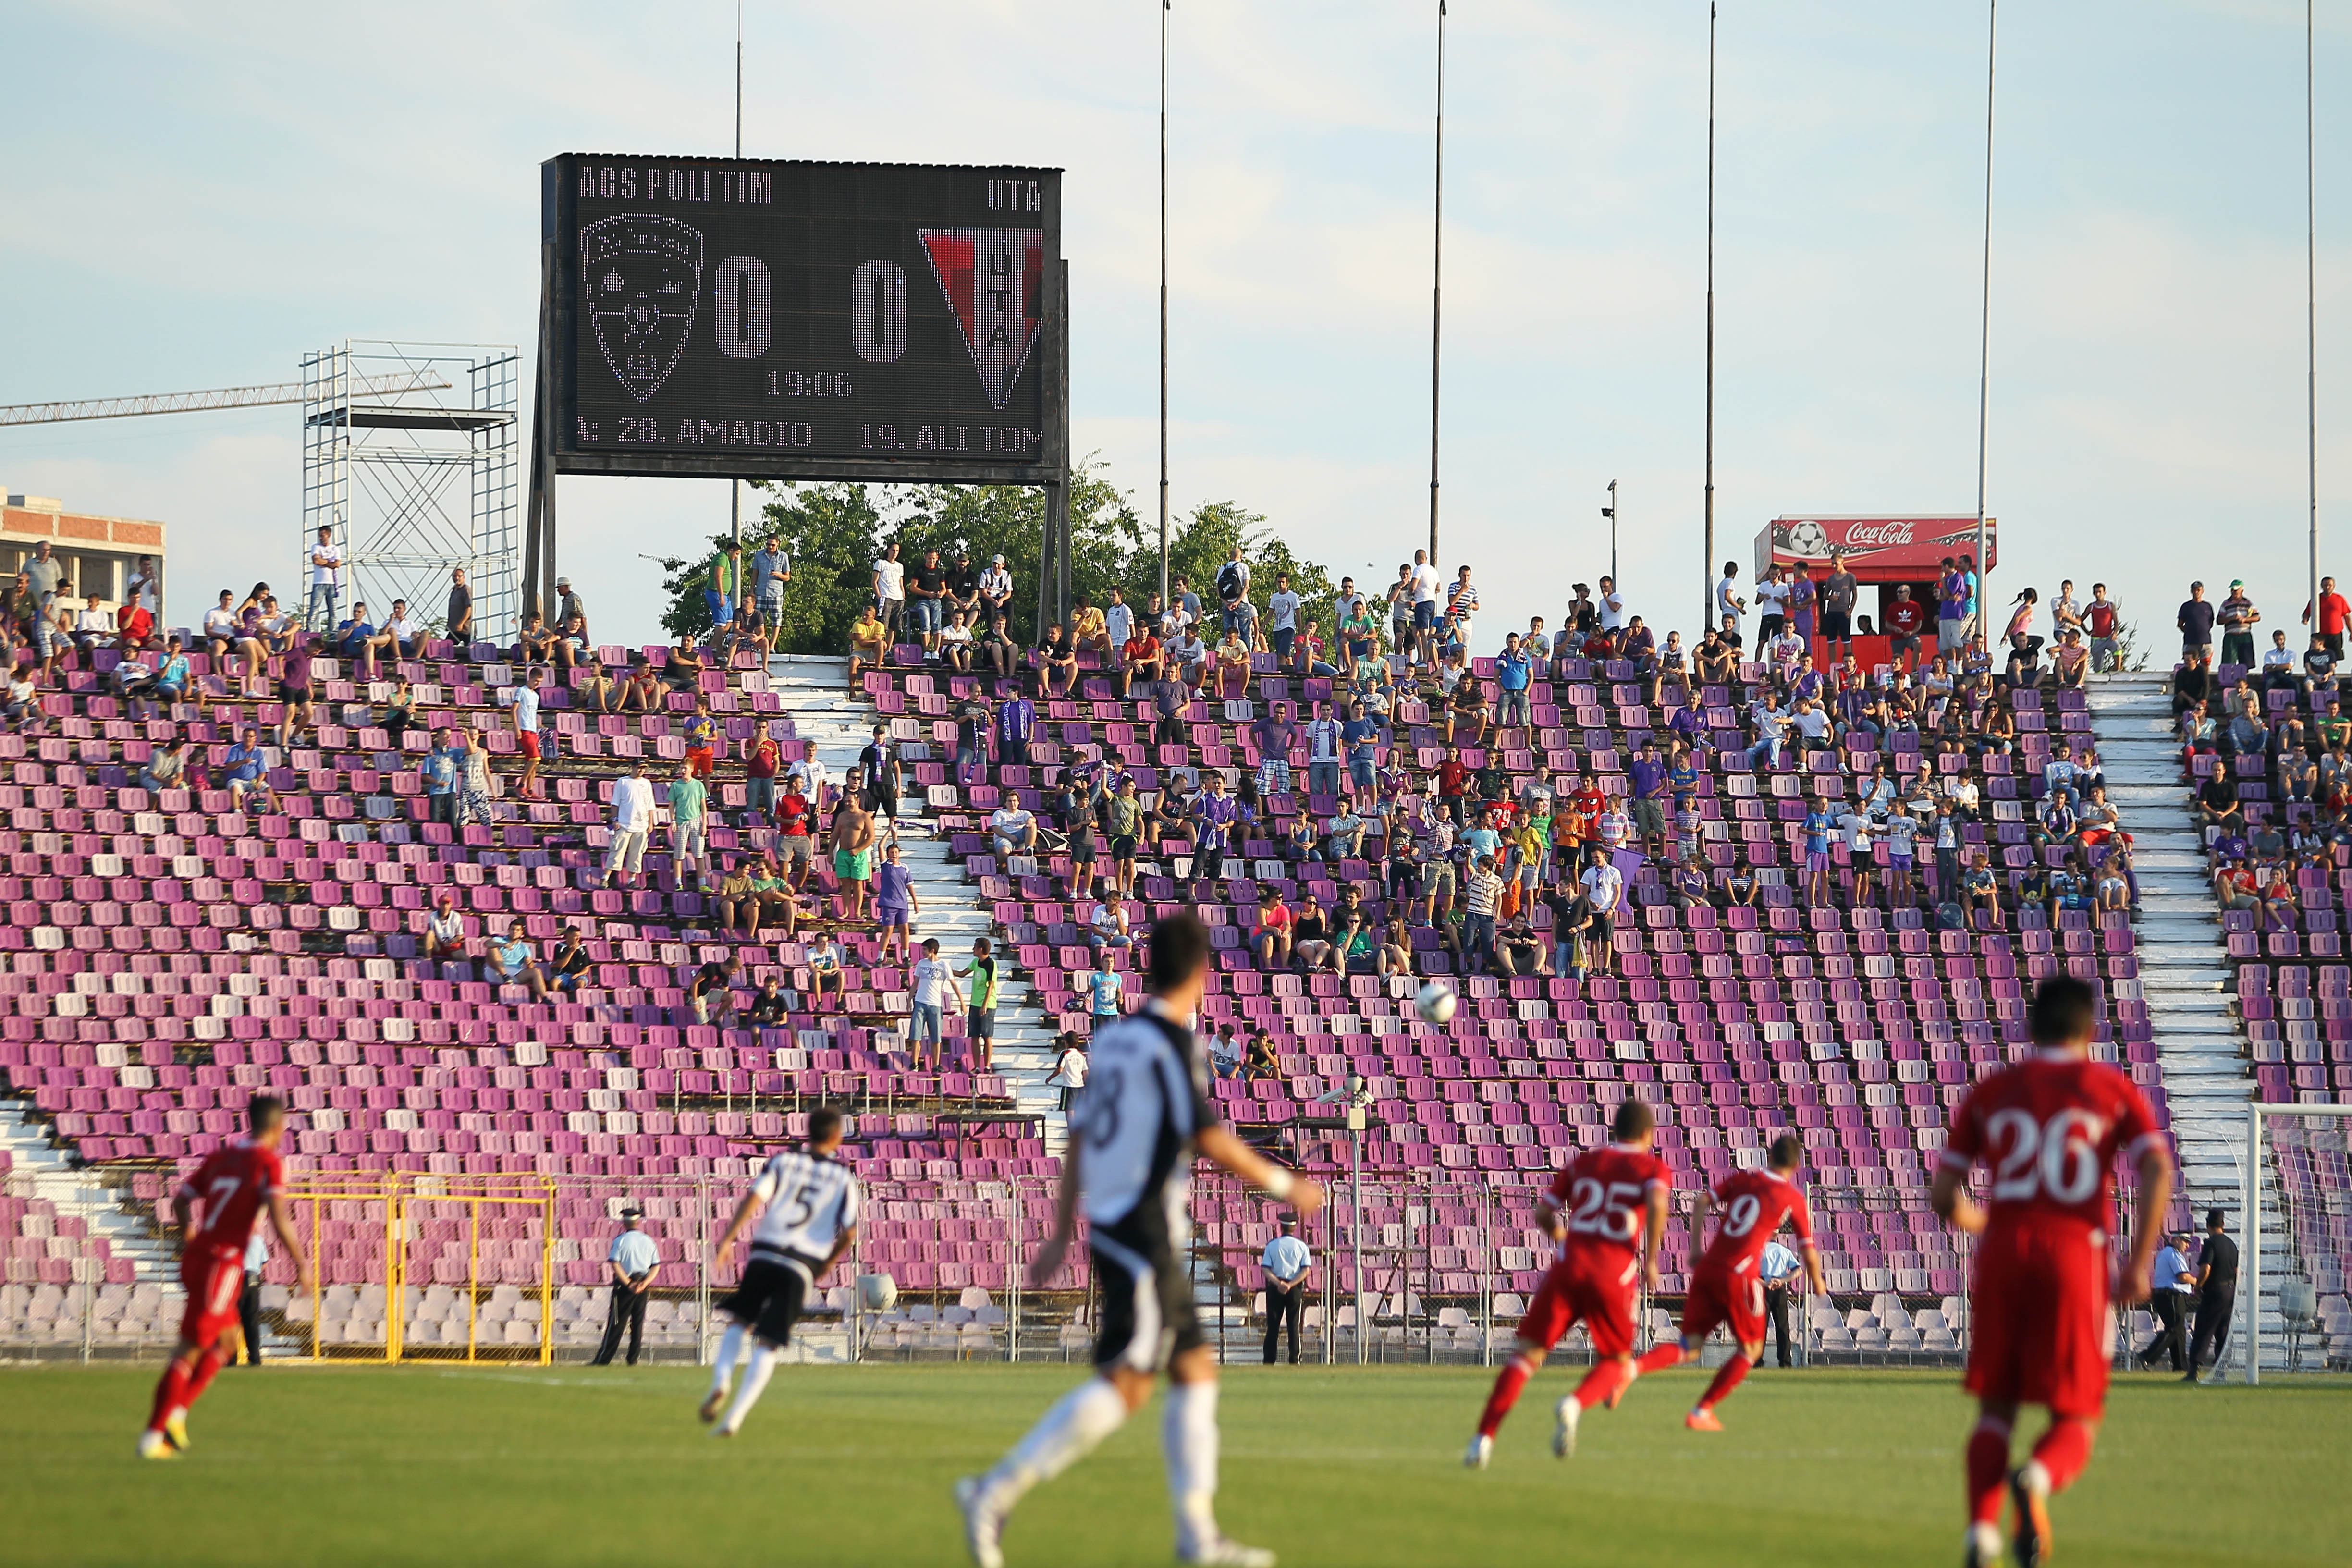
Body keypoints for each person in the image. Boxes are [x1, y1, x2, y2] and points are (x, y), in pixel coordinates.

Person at [957, 913, 1323, 1568]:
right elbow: (1208, 1138)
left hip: (1122, 1223)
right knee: (1129, 1383)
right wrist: (1284, 1185)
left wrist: (1064, 1227)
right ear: (1203, 973)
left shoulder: (1118, 1042)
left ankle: (1197, 1536)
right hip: (1144, 1229)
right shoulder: (1172, 1044)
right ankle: (994, 1490)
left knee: (1195, 1374)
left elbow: (1081, 1141)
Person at [1931, 975, 2172, 1568]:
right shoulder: (2108, 1087)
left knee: (1996, 1409)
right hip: (2075, 1255)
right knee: (2075, 1415)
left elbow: (1943, 1193)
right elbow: (2157, 1170)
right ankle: (2035, 1480)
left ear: (2030, 1028)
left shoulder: (1994, 1090)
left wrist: (1988, 1223)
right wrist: (2139, 1263)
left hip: (2006, 1253)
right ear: (2090, 1032)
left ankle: (1980, 1536)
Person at [1464, 1098, 1670, 1469]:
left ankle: (1483, 1440)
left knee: (1526, 1357)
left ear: (1614, 1130)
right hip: (1613, 1273)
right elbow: (1657, 1205)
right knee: (1617, 1361)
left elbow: (1543, 1212)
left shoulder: (1584, 1163)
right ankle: (1573, 1405)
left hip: (1568, 1266)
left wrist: (1563, 1236)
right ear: (1647, 1134)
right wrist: (1652, 1260)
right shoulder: (1652, 1168)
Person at [139, 1095, 310, 1459]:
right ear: (279, 1128)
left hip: (201, 1256)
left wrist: (189, 1236)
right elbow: (279, 1218)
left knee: (227, 1342)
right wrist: (302, 1264)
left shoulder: (220, 1158)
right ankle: (154, 1436)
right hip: (223, 1263)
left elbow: (182, 1200)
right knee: (190, 1350)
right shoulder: (268, 1163)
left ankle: (177, 1415)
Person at [1632, 1132, 1825, 1429]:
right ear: (1797, 1165)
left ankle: (1631, 1370)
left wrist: (1696, 1249)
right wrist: (1818, 1283)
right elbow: (1808, 1253)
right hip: (1741, 1276)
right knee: (1751, 1350)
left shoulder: (1742, 1181)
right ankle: (1701, 1410)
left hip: (1709, 1267)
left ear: (1769, 1158)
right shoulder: (1793, 1199)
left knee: (1690, 1347)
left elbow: (1700, 1203)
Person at [701, 1106, 862, 1436]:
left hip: (766, 1251)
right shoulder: (844, 1179)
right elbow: (849, 1233)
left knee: (741, 1321)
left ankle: (721, 1381)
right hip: (802, 1264)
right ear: (837, 1138)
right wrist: (828, 1263)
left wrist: (728, 1238)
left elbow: (754, 1198)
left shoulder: (783, 1162)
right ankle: (735, 1419)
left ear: (808, 1131)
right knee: (769, 1342)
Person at [592, 1206, 662, 1367]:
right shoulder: (648, 1241)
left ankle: (604, 1359)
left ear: (625, 1222)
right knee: (638, 1324)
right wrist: (644, 1283)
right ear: (638, 1222)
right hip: (643, 1284)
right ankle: (633, 1359)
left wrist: (629, 1284)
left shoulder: (621, 1241)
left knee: (616, 1323)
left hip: (625, 1286)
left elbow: (616, 1264)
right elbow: (656, 1265)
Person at [2184, 1207, 2239, 1384]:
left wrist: (2199, 1285)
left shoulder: (2211, 1243)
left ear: (2208, 1225)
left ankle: (2194, 1371)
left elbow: (2206, 1269)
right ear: (2223, 1224)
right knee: (2223, 1332)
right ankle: (2221, 1370)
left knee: (2203, 1330)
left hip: (2215, 1291)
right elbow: (2238, 1270)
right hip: (2230, 1291)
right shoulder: (2232, 1244)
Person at [2136, 1229, 2195, 1372]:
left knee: (2178, 1331)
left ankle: (2180, 1366)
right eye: (2185, 1242)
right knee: (2175, 1329)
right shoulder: (2173, 1255)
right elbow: (2183, 1277)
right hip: (2172, 1296)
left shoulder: (2167, 1254)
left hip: (2166, 1296)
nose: (2187, 1246)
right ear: (2176, 1240)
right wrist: (2197, 1282)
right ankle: (2148, 1356)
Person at [1260, 1220, 1311, 1366]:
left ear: (1281, 1228)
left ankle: (1269, 1361)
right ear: (1294, 1229)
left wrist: (1279, 1283)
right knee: (1293, 1325)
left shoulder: (1272, 1245)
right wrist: (1290, 1284)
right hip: (1294, 1288)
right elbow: (1306, 1270)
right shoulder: (1302, 1246)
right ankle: (1295, 1360)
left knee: (1273, 1325)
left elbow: (1265, 1269)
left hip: (1276, 1288)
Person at [908, 938, 961, 1072]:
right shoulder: (921, 964)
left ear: (932, 951)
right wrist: (910, 999)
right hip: (920, 1002)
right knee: (916, 1035)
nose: (923, 953)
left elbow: (953, 983)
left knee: (936, 1037)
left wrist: (962, 1002)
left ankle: (936, 1065)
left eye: (925, 950)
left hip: (935, 1005)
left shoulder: (944, 965)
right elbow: (915, 983)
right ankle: (914, 1064)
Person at [604, 759, 656, 890]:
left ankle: (632, 880)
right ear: (632, 767)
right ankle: (605, 878)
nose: (641, 771)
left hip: (642, 825)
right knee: (617, 852)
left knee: (637, 854)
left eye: (644, 768)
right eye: (639, 768)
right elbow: (615, 803)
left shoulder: (647, 783)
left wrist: (651, 823)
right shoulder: (623, 782)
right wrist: (615, 820)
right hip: (624, 824)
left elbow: (650, 805)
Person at [1757, 1236, 1804, 1368]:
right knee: (1783, 1327)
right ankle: (1785, 1363)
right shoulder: (1784, 1250)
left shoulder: (1759, 1250)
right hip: (1780, 1289)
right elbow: (1798, 1270)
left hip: (1764, 1289)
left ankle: (1757, 1361)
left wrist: (1767, 1283)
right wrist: (1783, 1280)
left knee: (1761, 1329)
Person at [236, 1228, 268, 1367]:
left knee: (233, 1319)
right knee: (252, 1320)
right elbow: (265, 1262)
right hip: (254, 1280)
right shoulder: (258, 1239)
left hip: (237, 1278)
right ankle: (255, 1358)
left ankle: (231, 1359)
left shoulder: (235, 1238)